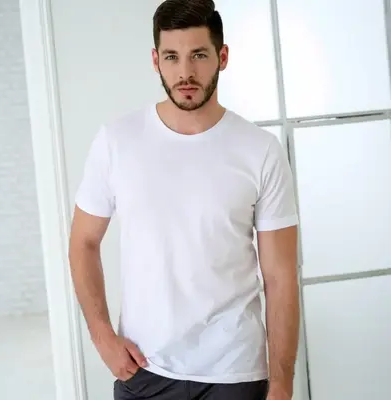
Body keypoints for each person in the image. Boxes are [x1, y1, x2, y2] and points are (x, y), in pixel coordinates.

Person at [68, 0, 300, 399]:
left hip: (235, 372)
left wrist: (281, 384)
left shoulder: (261, 151)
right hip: (143, 367)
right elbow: (83, 242)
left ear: (222, 57)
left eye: (199, 55)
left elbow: (280, 277)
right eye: (172, 57)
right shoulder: (117, 142)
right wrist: (102, 336)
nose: (185, 72)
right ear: (156, 60)